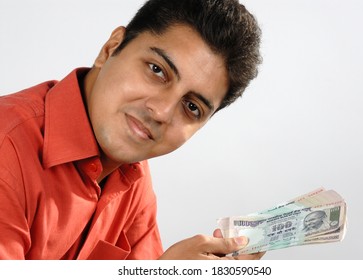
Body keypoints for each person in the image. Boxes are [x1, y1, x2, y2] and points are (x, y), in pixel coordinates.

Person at [0, 0, 263, 260]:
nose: (161, 112)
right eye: (157, 70)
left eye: (192, 107)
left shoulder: (134, 178)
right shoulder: (7, 148)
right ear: (110, 48)